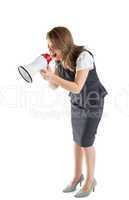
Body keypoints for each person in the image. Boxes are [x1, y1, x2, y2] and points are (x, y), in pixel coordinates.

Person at [40, 26, 108, 198]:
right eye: (48, 46)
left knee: (86, 141)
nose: (50, 50)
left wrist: (54, 77)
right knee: (77, 140)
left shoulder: (83, 57)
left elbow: (77, 87)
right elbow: (54, 86)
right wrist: (48, 74)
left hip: (93, 102)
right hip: (77, 102)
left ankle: (90, 180)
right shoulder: (58, 60)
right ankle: (77, 176)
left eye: (52, 46)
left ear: (62, 43)